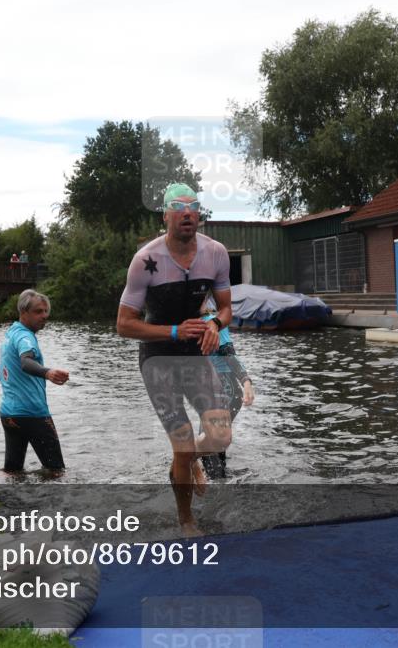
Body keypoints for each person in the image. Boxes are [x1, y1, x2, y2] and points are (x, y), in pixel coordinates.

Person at [117, 182, 232, 536]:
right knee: (181, 447)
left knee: (220, 437)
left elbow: (226, 308)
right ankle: (186, 519)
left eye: (193, 206)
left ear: (199, 215)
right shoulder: (146, 261)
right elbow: (124, 325)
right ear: (165, 215)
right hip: (159, 360)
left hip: (195, 354)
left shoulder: (215, 253)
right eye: (178, 207)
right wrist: (172, 332)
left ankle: (190, 460)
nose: (187, 213)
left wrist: (214, 324)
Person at [0, 289, 69, 474]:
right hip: (32, 414)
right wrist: (48, 373)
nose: (44, 316)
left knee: (13, 472)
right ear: (23, 312)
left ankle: (9, 502)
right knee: (56, 472)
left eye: (46, 311)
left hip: (9, 414)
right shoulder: (25, 337)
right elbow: (26, 362)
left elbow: (2, 375)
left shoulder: (10, 334)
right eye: (38, 311)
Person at [199, 299, 254, 479]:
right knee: (211, 444)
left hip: (227, 391)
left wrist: (246, 382)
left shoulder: (212, 322)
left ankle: (219, 482)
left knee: (207, 442)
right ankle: (222, 478)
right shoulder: (188, 325)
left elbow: (229, 355)